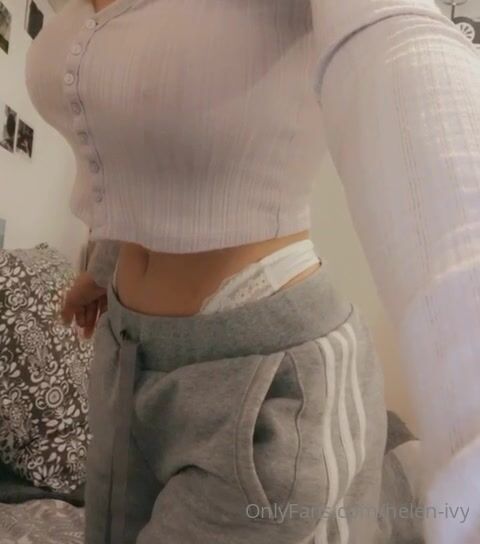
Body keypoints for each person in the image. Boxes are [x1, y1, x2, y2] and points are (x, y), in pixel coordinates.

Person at [24, 0, 480, 543]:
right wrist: (103, 267)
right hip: (125, 349)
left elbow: (397, 42)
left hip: (263, 373)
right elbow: (136, 153)